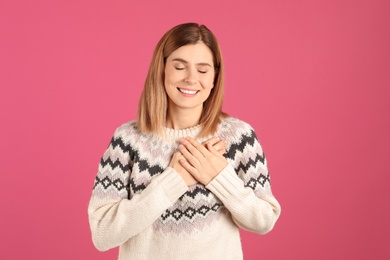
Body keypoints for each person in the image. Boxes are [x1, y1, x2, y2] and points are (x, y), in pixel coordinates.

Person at [88, 22, 281, 260]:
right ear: (162, 69)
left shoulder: (239, 137)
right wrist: (175, 180)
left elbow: (263, 221)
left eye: (202, 70)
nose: (191, 79)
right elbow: (102, 233)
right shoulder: (127, 140)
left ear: (214, 78)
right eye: (180, 67)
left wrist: (218, 177)